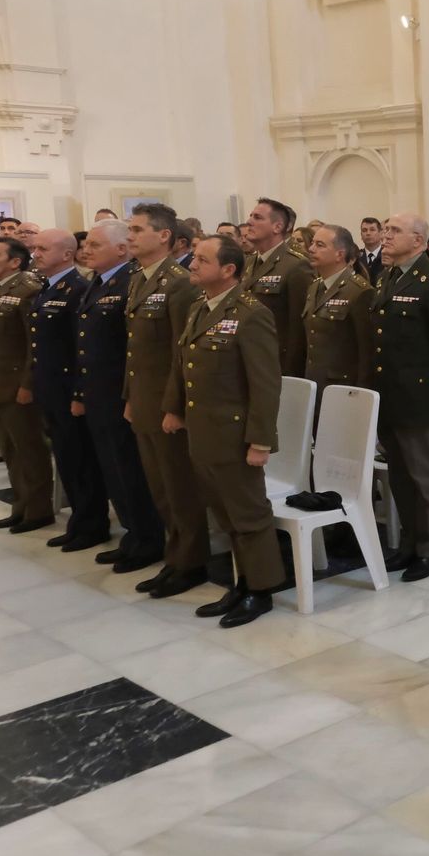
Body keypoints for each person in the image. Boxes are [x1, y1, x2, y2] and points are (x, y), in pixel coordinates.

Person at [164, 236, 282, 628]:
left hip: (235, 434)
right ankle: (242, 581)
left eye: (202, 259)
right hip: (204, 431)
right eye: (194, 258)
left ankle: (261, 590)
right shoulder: (200, 307)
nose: (192, 265)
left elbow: (265, 385)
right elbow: (182, 364)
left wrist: (260, 441)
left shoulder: (251, 314)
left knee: (248, 514)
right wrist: (174, 409)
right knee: (225, 514)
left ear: (228, 269)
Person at [124, 204, 210, 599]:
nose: (130, 236)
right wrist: (129, 396)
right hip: (144, 399)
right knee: (159, 486)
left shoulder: (178, 283)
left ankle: (190, 562)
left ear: (163, 236)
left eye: (137, 229)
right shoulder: (139, 280)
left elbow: (183, 352)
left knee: (179, 487)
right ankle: (174, 557)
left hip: (166, 403)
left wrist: (175, 406)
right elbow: (134, 349)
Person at [373, 214, 429, 580]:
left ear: (418, 240)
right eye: (386, 229)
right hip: (390, 394)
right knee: (400, 476)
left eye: (395, 231)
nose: (386, 235)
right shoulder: (389, 275)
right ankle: (409, 543)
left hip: (420, 397)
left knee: (425, 476)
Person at [75, 220, 165, 575]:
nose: (86, 250)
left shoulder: (130, 282)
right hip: (99, 391)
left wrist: (129, 395)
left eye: (95, 245)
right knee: (113, 468)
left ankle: (148, 537)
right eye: (86, 244)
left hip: (120, 391)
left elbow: (133, 346)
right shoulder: (97, 282)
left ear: (121, 249)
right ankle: (132, 533)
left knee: (130, 468)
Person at [28, 229, 109, 551]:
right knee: (65, 457)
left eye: (43, 248)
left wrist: (79, 393)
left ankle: (92, 524)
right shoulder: (47, 287)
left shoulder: (77, 289)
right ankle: (79, 520)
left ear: (66, 254)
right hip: (50, 388)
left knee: (81, 459)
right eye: (35, 248)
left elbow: (80, 349)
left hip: (68, 389)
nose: (35, 253)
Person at [0, 237, 56, 530]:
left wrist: (27, 384)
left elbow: (35, 344)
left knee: (29, 449)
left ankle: (38, 509)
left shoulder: (27, 289)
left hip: (16, 384)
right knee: (10, 451)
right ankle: (21, 505)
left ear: (15, 261)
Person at [240, 197, 314, 375]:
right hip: (249, 358)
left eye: (258, 217)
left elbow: (299, 328)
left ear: (277, 227)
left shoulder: (296, 265)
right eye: (251, 216)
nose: (249, 221)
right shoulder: (249, 263)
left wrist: (291, 372)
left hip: (277, 363)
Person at [302, 225, 376, 398]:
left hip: (343, 388)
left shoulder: (359, 291)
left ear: (339, 254)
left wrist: (360, 394)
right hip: (314, 384)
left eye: (320, 245)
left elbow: (367, 352)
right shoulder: (314, 287)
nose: (311, 249)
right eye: (312, 243)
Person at [358, 217, 386, 283]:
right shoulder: (356, 257)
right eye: (364, 230)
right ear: (361, 235)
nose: (368, 233)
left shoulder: (387, 255)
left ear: (380, 233)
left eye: (372, 230)